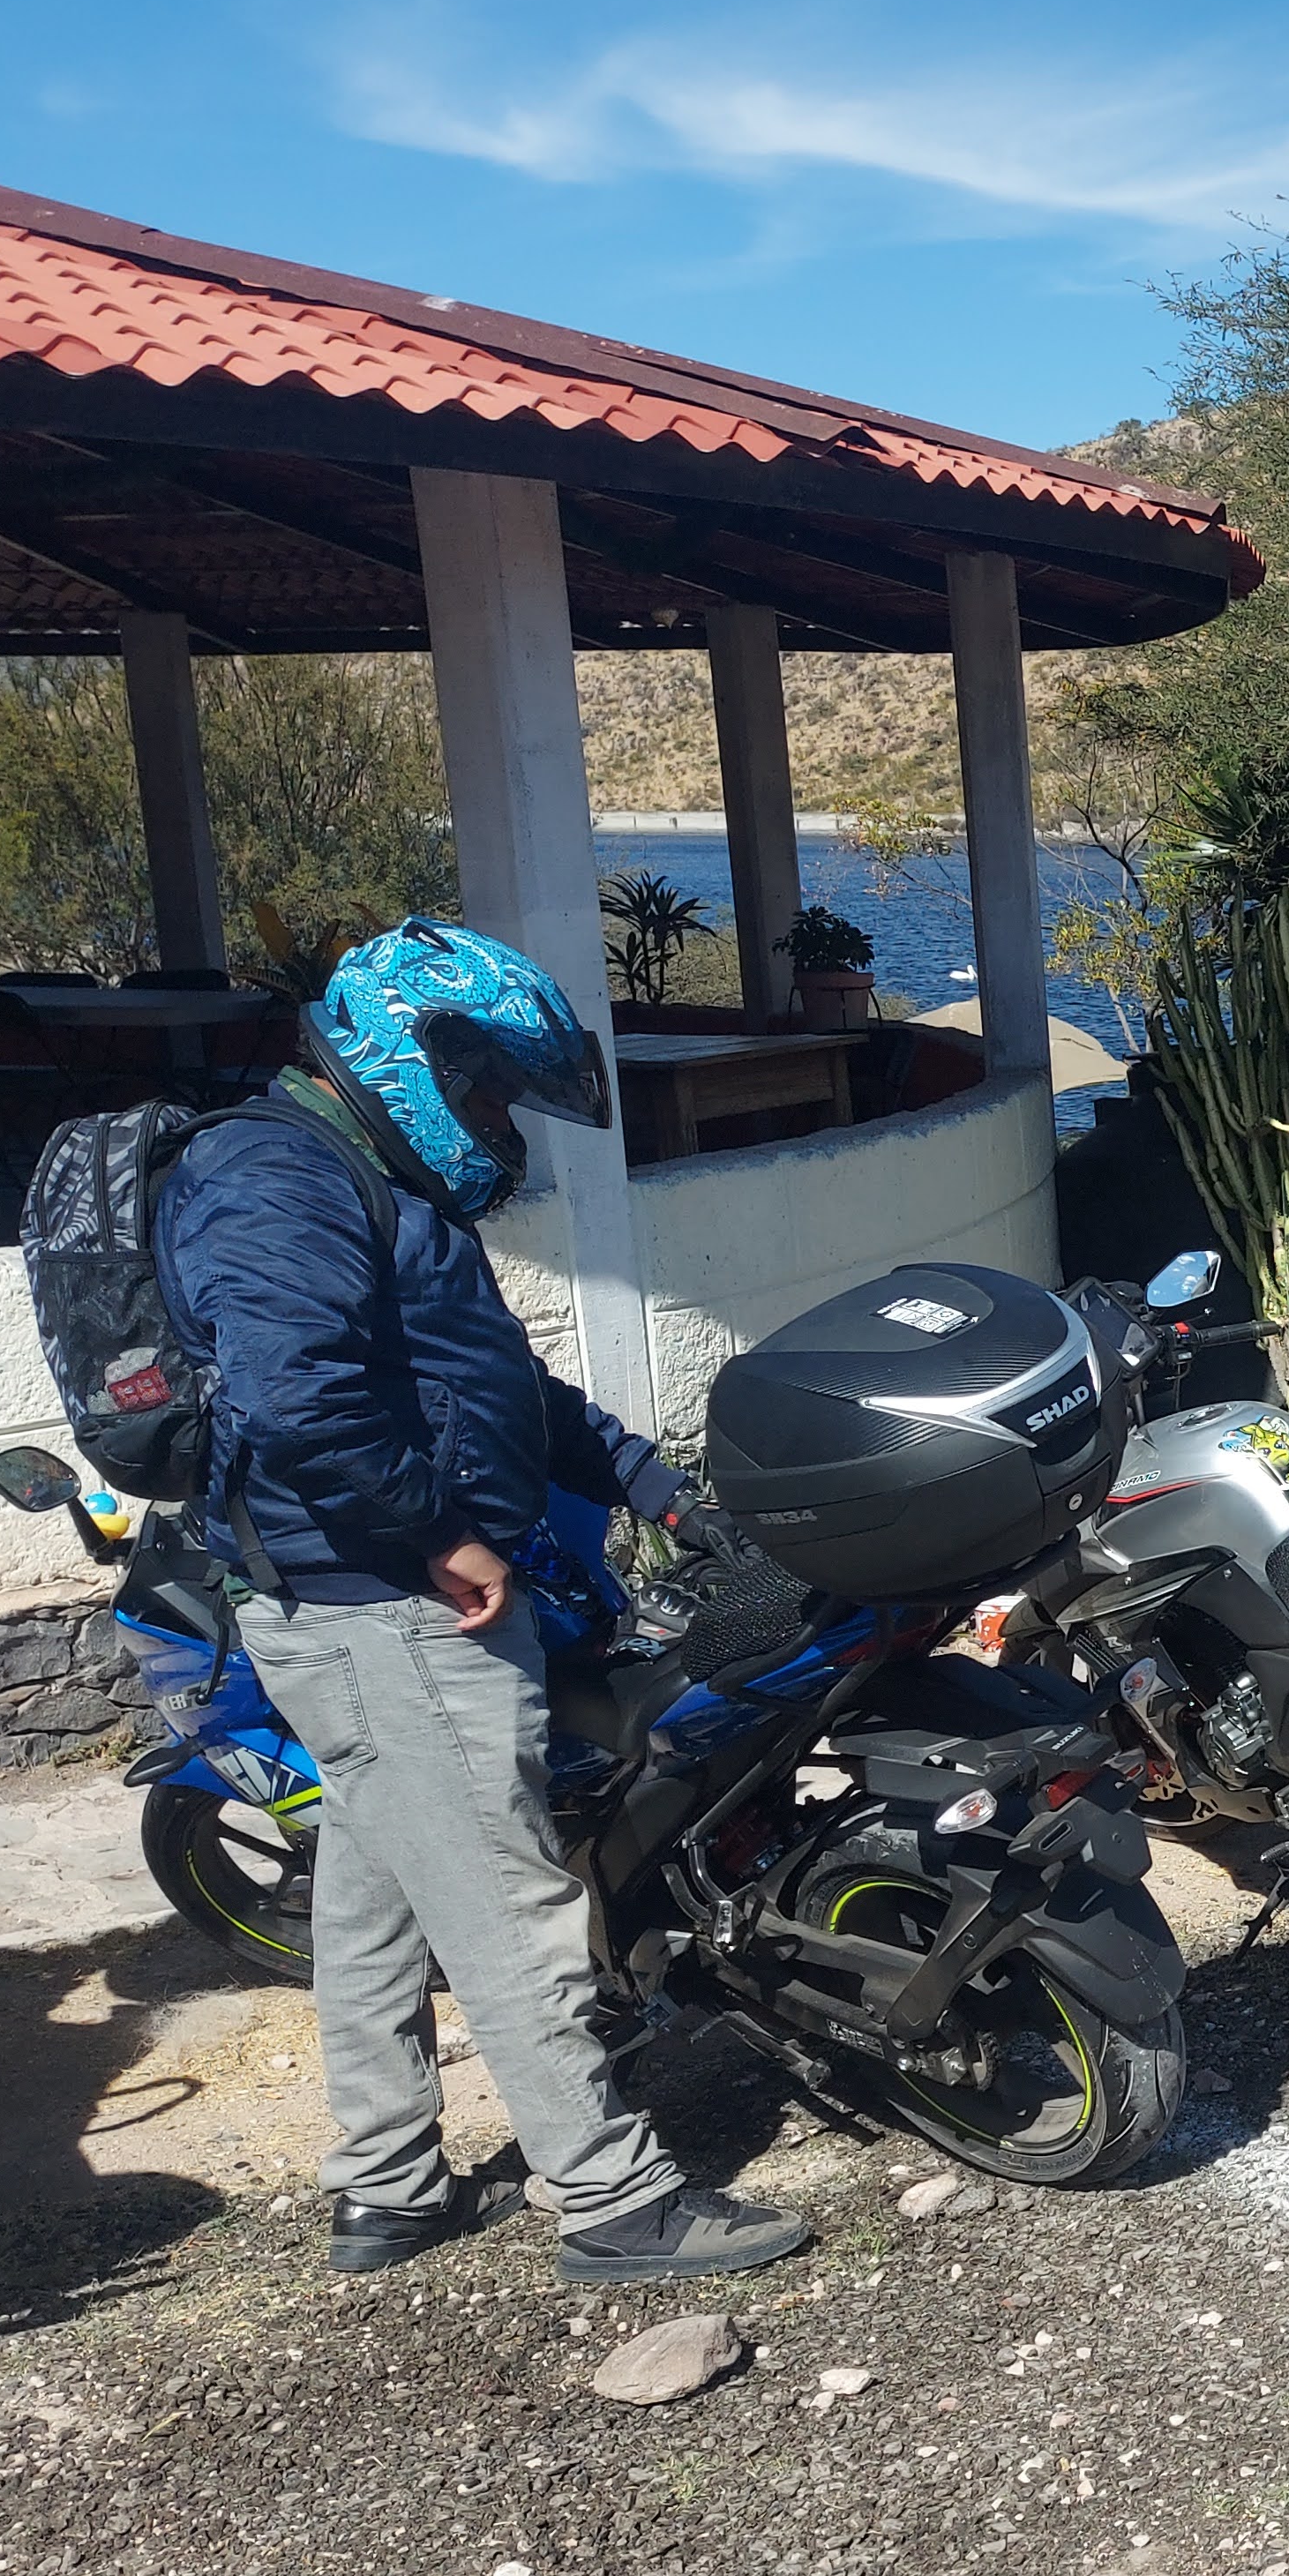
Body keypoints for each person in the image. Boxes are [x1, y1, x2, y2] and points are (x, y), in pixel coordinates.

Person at [154, 917, 811, 2287]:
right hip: (386, 1607)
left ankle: (384, 2186)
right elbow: (297, 1401)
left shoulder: (370, 1181)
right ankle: (614, 2201)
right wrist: (442, 1540)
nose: (495, 1115)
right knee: (511, 1904)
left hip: (376, 1598)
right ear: (411, 1054)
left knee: (378, 1894)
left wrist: (645, 1478)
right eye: (485, 1085)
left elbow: (484, 1386)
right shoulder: (272, 1179)